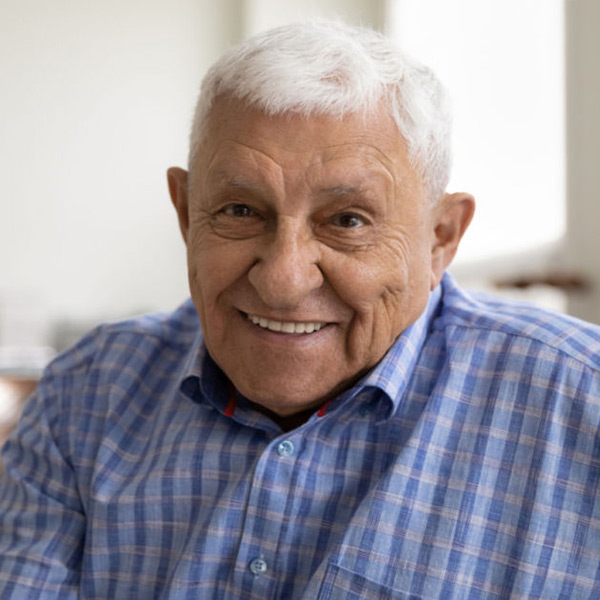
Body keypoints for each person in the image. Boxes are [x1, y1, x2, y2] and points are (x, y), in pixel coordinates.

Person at [1, 19, 599, 600]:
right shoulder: (82, 399)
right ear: (186, 213)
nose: (284, 282)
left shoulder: (582, 412)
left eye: (347, 221)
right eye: (240, 210)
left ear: (441, 236)